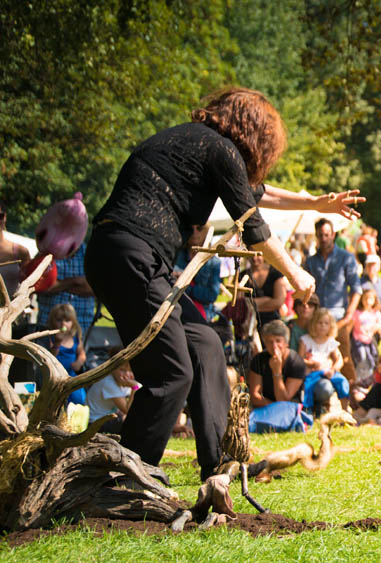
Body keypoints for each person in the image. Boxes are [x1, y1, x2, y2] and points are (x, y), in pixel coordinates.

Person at [87, 87, 361, 479]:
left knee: (206, 343)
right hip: (131, 255)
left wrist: (314, 203)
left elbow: (256, 195)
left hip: (123, 255)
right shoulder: (218, 149)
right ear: (254, 134)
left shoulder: (197, 144)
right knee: (170, 373)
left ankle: (219, 463)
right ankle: (129, 476)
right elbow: (254, 227)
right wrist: (295, 273)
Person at [306, 216, 363, 382]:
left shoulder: (346, 257)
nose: (324, 238)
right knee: (317, 358)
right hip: (317, 317)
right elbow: (305, 290)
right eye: (320, 235)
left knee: (344, 358)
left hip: (339, 317)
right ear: (316, 235)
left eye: (327, 234)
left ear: (333, 235)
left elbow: (356, 289)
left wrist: (349, 315)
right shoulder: (310, 261)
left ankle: (351, 391)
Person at [37, 242, 96, 337]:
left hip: (82, 328)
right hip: (47, 328)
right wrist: (76, 281)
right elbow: (39, 286)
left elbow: (94, 289)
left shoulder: (91, 254)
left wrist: (58, 285)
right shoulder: (46, 253)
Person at [298, 307, 350, 413]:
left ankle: (345, 409)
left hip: (328, 371)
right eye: (319, 323)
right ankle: (308, 409)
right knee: (308, 386)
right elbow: (299, 359)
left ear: (330, 326)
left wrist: (333, 370)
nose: (322, 326)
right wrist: (311, 364)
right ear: (314, 324)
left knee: (342, 381)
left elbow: (339, 360)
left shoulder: (330, 342)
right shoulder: (306, 340)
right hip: (312, 372)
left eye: (326, 323)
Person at [247, 320, 306, 409]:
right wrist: (274, 407)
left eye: (278, 341)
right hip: (265, 407)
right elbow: (255, 396)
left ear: (286, 343)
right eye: (270, 342)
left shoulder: (296, 362)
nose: (274, 346)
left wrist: (276, 371)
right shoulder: (259, 360)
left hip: (289, 408)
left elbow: (283, 399)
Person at [173, 223, 221, 322]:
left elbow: (212, 295)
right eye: (190, 228)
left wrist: (185, 287)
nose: (194, 232)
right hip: (177, 310)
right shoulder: (177, 255)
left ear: (206, 231)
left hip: (202, 314)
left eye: (199, 228)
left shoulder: (214, 262)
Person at [46, 303, 87, 405]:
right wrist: (57, 343)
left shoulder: (75, 338)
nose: (63, 324)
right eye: (59, 320)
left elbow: (81, 353)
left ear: (73, 322)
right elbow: (50, 358)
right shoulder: (50, 338)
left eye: (67, 320)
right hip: (56, 377)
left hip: (71, 376)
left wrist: (79, 362)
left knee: (78, 399)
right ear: (52, 321)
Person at [85, 360, 139, 434]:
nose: (127, 374)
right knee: (130, 421)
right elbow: (128, 411)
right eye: (122, 370)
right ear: (113, 369)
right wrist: (135, 387)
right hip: (95, 423)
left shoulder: (122, 381)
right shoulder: (108, 383)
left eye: (130, 370)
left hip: (109, 416)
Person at [350, 288, 381, 387]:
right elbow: (350, 325)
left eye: (370, 298)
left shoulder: (375, 313)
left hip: (370, 341)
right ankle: (359, 380)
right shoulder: (357, 313)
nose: (368, 301)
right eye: (365, 298)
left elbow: (380, 324)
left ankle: (368, 380)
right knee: (361, 359)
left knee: (371, 359)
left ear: (375, 300)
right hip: (358, 340)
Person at [246, 252, 286, 327]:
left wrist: (252, 305)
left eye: (258, 254)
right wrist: (266, 300)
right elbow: (240, 304)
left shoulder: (275, 273)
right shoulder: (242, 276)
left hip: (273, 323)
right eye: (251, 254)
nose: (254, 258)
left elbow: (279, 302)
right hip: (249, 324)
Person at [0, 200, 30, 296]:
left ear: (5, 217)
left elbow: (29, 286)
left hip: (13, 305)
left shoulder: (20, 252)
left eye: (0, 216)